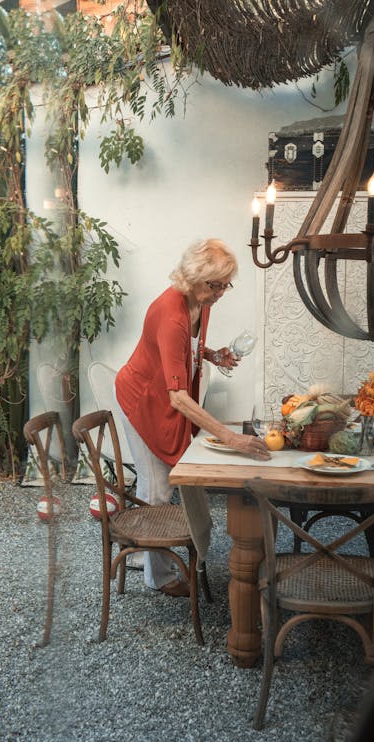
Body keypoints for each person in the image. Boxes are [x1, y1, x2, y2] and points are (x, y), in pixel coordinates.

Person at [115, 238, 270, 597]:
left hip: (160, 392)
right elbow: (178, 397)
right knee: (159, 486)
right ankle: (160, 575)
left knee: (155, 481)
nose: (219, 293)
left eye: (224, 285)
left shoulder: (200, 302)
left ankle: (144, 553)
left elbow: (188, 349)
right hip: (142, 398)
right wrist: (231, 438)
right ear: (191, 277)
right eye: (212, 285)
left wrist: (214, 356)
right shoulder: (170, 314)